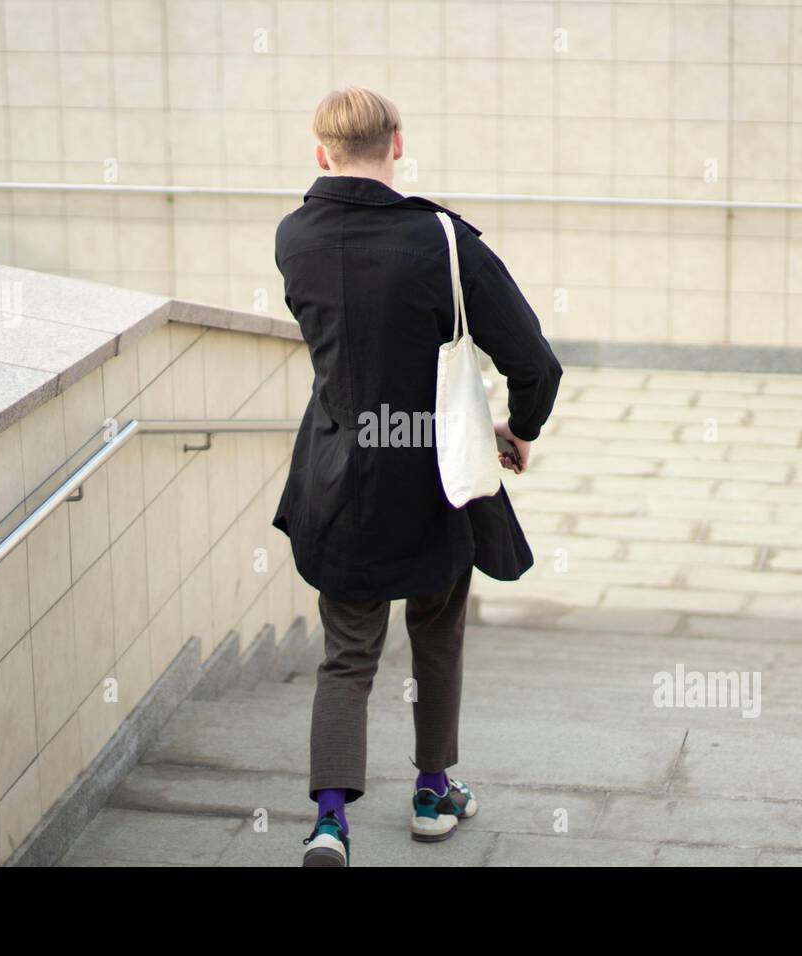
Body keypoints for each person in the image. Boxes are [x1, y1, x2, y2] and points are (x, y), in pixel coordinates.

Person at [272, 87, 562, 866]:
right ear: (398, 143)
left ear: (320, 152)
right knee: (436, 634)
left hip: (337, 478)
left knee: (347, 650)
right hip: (437, 477)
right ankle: (433, 792)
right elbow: (535, 361)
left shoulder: (294, 236)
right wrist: (519, 431)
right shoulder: (442, 240)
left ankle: (330, 819)